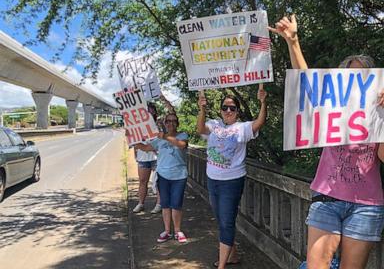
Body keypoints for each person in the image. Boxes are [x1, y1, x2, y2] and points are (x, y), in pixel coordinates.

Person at [269, 14, 384, 269]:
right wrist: (293, 41)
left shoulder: (379, 113)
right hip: (327, 198)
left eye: (363, 76)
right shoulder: (329, 108)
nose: (357, 81)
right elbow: (308, 84)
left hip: (366, 206)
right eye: (350, 76)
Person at [197, 89, 267, 269]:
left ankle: (221, 265)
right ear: (220, 109)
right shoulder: (214, 124)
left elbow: (259, 123)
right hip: (212, 179)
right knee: (221, 219)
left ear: (237, 111)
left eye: (232, 108)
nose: (228, 111)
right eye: (225, 107)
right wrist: (202, 109)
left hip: (232, 181)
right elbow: (200, 129)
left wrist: (263, 103)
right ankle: (233, 255)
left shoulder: (242, 128)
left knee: (227, 221)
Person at [135, 112, 189, 243]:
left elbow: (181, 145)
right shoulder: (158, 140)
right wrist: (133, 140)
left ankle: (177, 231)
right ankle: (166, 231)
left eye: (173, 121)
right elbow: (146, 147)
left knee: (176, 204)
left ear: (177, 123)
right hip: (163, 175)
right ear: (164, 123)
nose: (171, 123)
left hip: (179, 175)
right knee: (165, 204)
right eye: (168, 121)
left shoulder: (183, 135)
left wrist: (164, 136)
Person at [131, 102, 161, 214]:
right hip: (143, 158)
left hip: (157, 157)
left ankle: (159, 204)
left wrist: (149, 147)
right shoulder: (138, 127)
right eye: (147, 110)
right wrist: (137, 152)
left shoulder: (158, 126)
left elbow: (160, 142)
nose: (149, 112)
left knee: (159, 181)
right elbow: (134, 143)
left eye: (151, 110)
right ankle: (141, 203)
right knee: (143, 181)